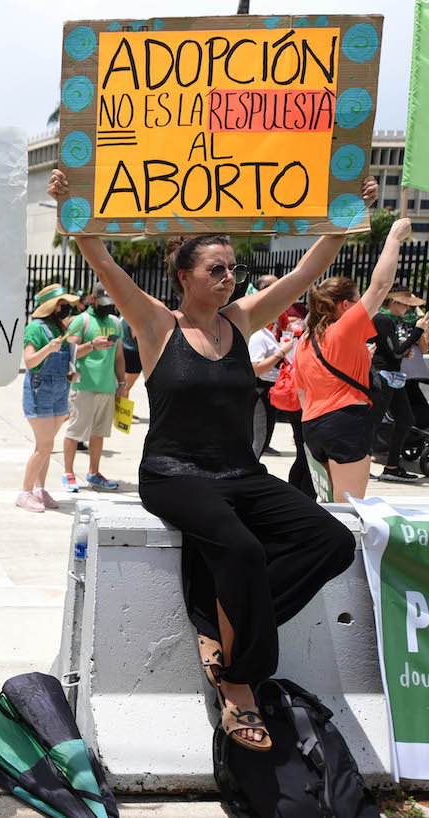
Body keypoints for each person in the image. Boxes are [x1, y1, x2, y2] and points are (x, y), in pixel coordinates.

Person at [48, 168, 374, 752]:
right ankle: (240, 684)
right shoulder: (154, 323)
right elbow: (102, 262)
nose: (228, 278)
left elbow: (305, 273)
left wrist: (345, 223)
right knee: (242, 549)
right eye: (215, 269)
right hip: (174, 474)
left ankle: (223, 621)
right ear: (184, 277)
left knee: (331, 542)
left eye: (233, 269)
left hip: (241, 473)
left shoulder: (243, 319)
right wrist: (69, 206)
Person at [294, 217, 413, 498]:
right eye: (357, 301)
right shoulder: (344, 328)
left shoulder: (305, 341)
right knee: (349, 510)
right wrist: (394, 237)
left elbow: (302, 392)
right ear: (345, 305)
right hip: (345, 422)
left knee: (326, 506)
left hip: (312, 426)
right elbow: (381, 285)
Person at [18, 283, 82, 512]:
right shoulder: (35, 328)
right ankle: (24, 492)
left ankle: (39, 489)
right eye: (62, 304)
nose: (66, 308)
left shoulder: (57, 328)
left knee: (45, 445)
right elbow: (30, 361)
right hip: (40, 391)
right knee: (44, 446)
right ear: (51, 306)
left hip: (59, 390)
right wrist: (49, 349)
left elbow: (68, 354)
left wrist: (92, 347)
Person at [61, 284, 126, 492]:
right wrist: (92, 346)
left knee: (98, 434)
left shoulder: (116, 322)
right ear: (92, 299)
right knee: (75, 431)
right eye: (103, 303)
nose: (108, 307)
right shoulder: (82, 320)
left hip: (106, 387)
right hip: (83, 385)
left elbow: (118, 356)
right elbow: (69, 354)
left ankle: (94, 473)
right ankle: (68, 473)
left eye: (111, 303)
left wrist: (122, 383)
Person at [370, 285, 429, 481]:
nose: (408, 310)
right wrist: (418, 331)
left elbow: (395, 351)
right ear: (395, 302)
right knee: (372, 422)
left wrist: (406, 348)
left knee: (405, 419)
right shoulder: (382, 319)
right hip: (382, 377)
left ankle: (392, 468)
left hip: (392, 377)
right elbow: (395, 352)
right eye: (406, 305)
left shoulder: (390, 320)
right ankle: (359, 464)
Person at [247, 274, 292, 458]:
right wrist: (281, 353)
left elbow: (287, 329)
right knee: (258, 438)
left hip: (268, 388)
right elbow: (256, 367)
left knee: (262, 435)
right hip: (260, 388)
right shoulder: (258, 333)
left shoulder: (265, 329)